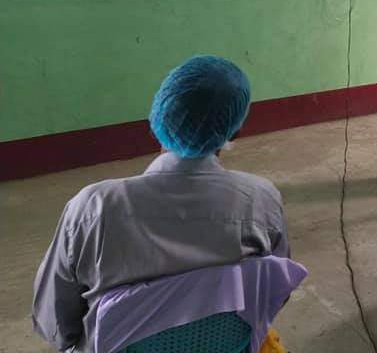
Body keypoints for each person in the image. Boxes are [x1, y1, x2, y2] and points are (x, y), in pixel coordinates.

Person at [32, 56, 289, 353]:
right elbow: (272, 293)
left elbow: (53, 321)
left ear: (158, 117)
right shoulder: (261, 200)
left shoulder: (94, 208)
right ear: (235, 131)